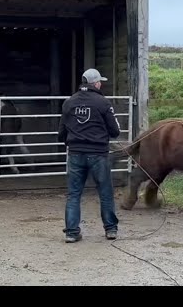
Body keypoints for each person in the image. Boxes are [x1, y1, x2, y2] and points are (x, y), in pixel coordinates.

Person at [58, 68, 121, 243]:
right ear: (96, 83)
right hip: (98, 154)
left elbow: (61, 131)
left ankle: (71, 231)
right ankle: (110, 229)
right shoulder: (103, 103)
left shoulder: (69, 102)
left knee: (74, 194)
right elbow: (115, 131)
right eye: (101, 81)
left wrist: (70, 144)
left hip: (76, 154)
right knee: (105, 192)